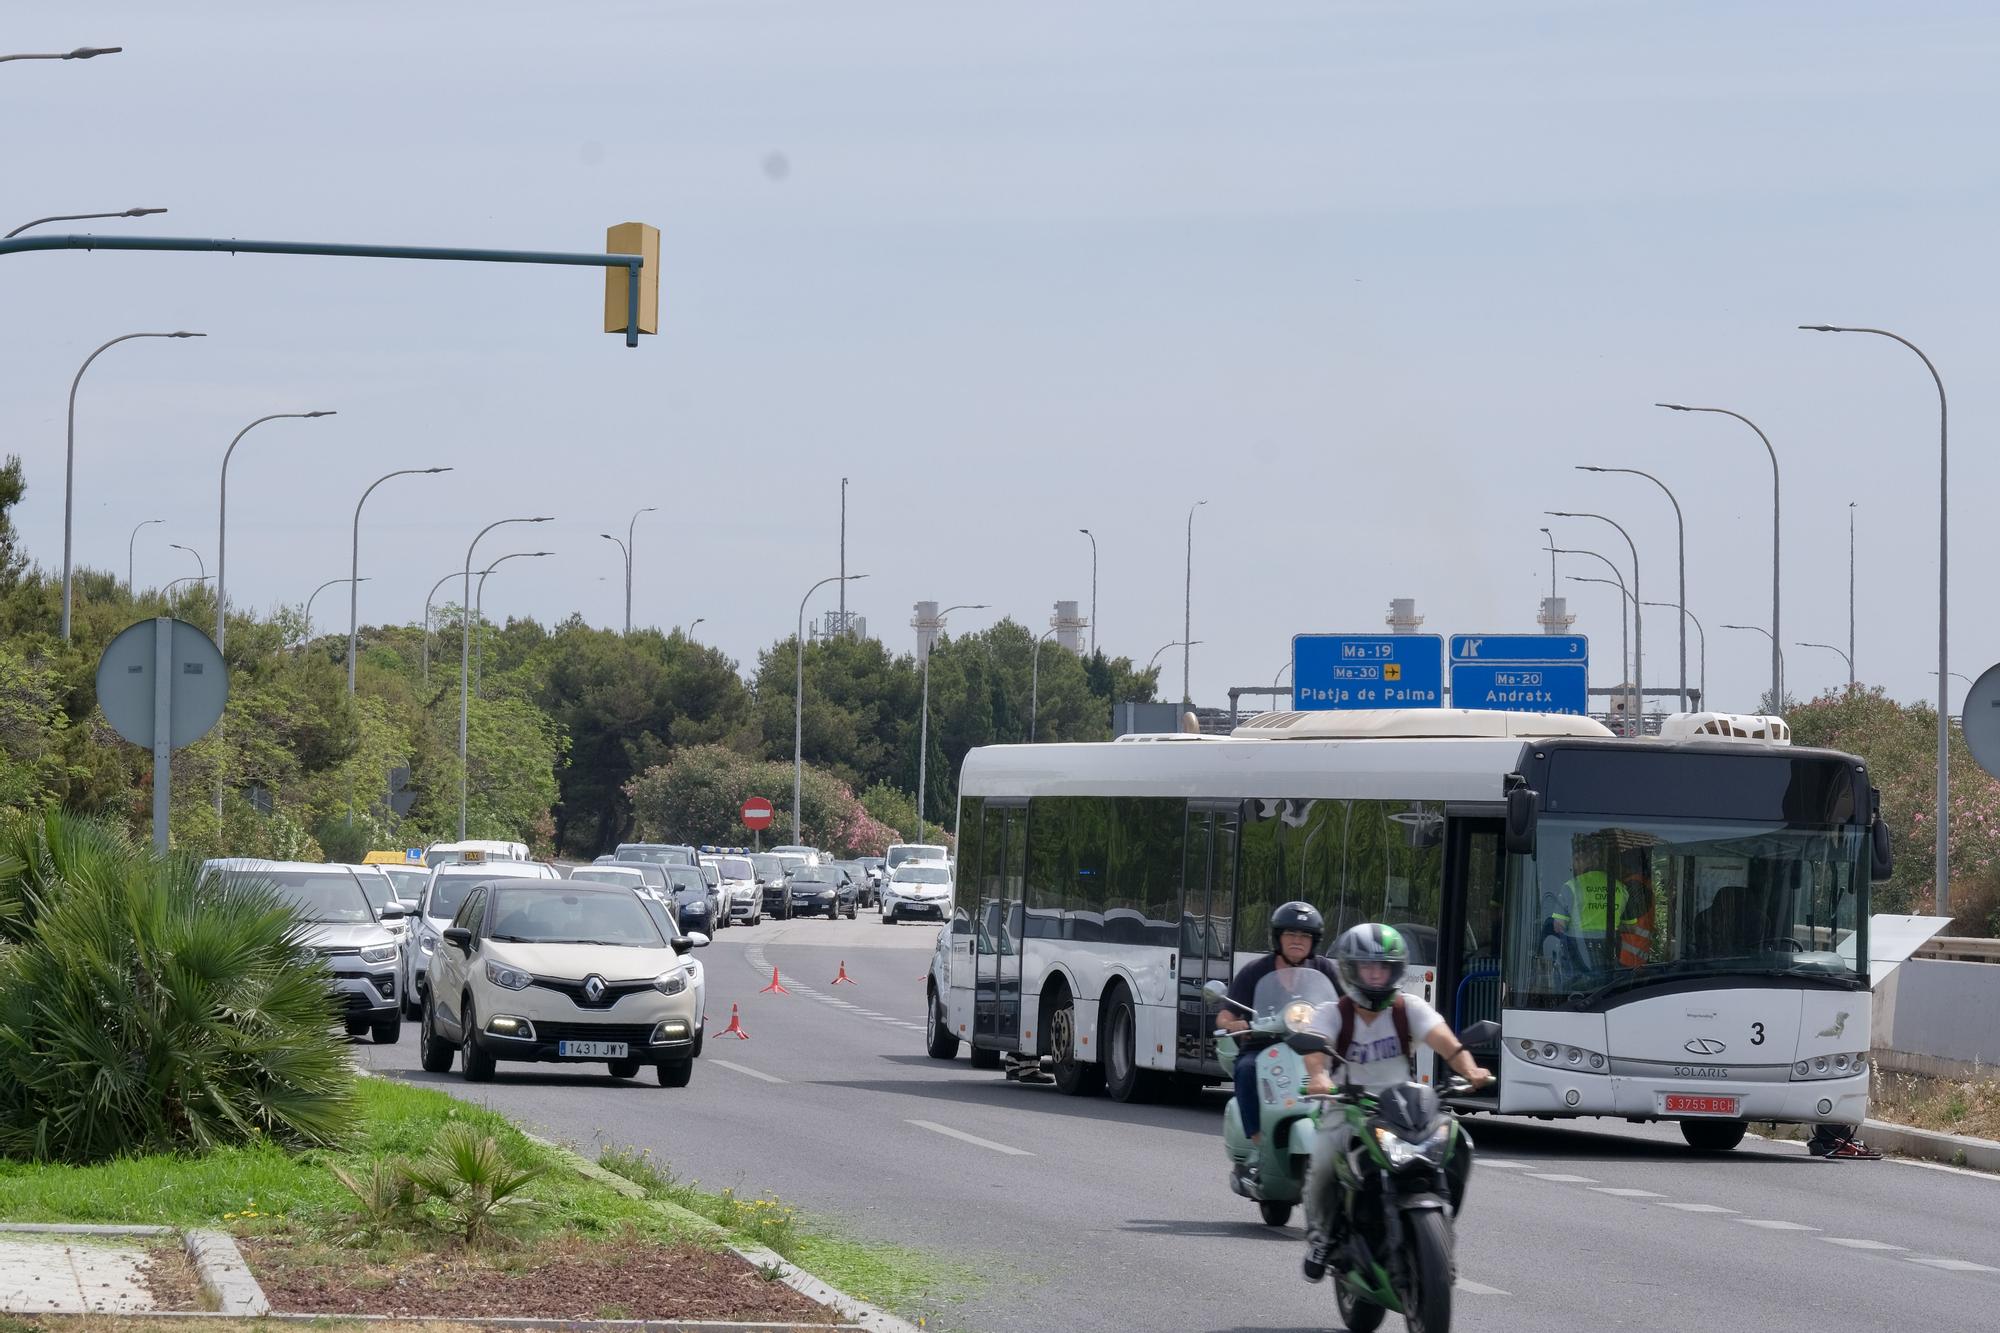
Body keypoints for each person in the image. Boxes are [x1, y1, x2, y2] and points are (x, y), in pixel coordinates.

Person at [1299, 923, 1493, 1283]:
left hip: (1402, 1106)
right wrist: (1319, 1077)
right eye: (1368, 968)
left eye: (1384, 968)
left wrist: (1472, 1069)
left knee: (1458, 1144)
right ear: (1350, 970)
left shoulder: (1409, 1009)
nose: (1375, 976)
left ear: (1396, 970)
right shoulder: (1333, 1012)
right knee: (1324, 1161)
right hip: (1348, 1106)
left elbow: (1448, 1044)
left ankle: (1441, 1229)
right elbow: (1314, 1046)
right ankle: (1321, 1236)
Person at [1218, 901, 1340, 1188]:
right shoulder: (1255, 970)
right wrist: (1233, 1024)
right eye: (1291, 934)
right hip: (1262, 1044)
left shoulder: (1323, 969)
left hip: (1311, 1045)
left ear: (1314, 941)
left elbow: (1345, 1004)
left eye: (1305, 936)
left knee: (1345, 1076)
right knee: (1246, 1070)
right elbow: (1225, 1013)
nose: (1298, 941)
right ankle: (1258, 1141)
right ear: (1278, 938)